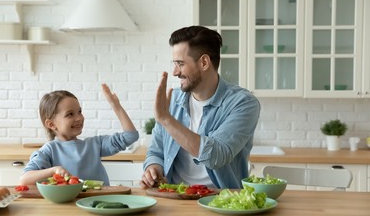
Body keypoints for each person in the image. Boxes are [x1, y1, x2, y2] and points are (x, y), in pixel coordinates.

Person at [140, 26, 260, 190]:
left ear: (204, 62)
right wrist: (153, 169)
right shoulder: (172, 99)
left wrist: (166, 119)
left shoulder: (243, 103)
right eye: (174, 64)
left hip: (221, 202)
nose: (175, 72)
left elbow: (217, 156)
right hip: (175, 199)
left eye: (180, 64)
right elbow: (156, 152)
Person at [20, 84, 139, 186]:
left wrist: (116, 106)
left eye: (79, 112)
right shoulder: (49, 150)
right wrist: (54, 170)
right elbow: (24, 179)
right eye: (70, 114)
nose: (79, 118)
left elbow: (131, 136)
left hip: (99, 204)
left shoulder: (95, 145)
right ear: (51, 124)